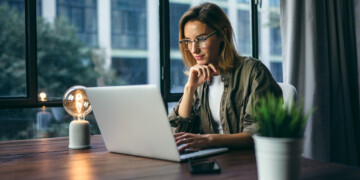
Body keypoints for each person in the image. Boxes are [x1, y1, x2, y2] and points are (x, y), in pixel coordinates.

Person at [168, 2, 282, 151]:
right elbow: (177, 133)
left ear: (223, 34)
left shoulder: (254, 72)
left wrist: (209, 140)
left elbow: (258, 134)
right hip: (212, 160)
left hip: (246, 162)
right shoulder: (199, 77)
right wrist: (190, 88)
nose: (193, 49)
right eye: (188, 41)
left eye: (201, 39)